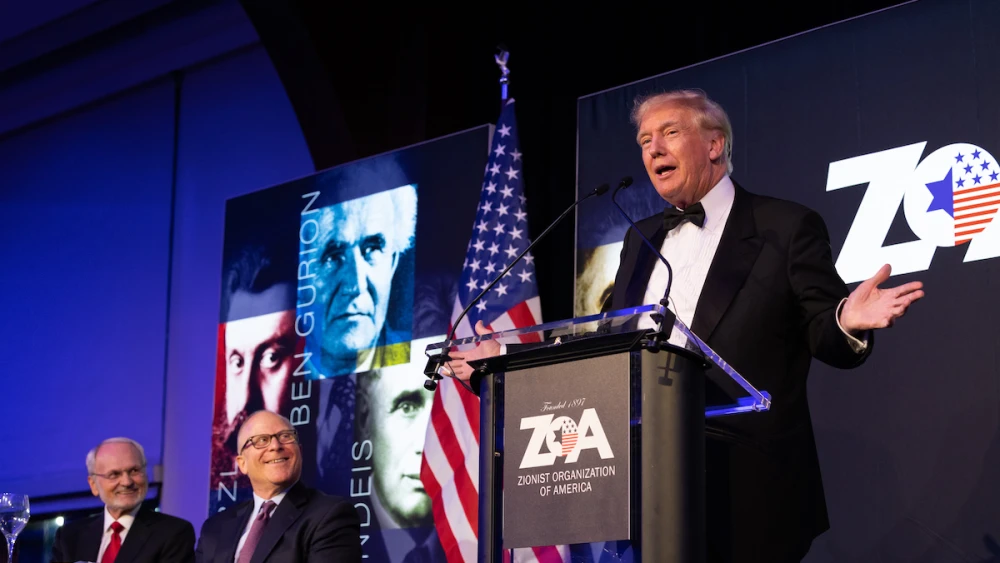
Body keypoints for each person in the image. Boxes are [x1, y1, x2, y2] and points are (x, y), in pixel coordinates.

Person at [447, 89, 925, 563]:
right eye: (644, 140)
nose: (653, 148)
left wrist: (845, 320)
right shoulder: (639, 239)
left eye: (670, 133)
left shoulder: (784, 225)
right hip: (639, 486)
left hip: (748, 488)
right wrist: (507, 362)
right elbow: (607, 353)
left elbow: (824, 332)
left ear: (715, 145)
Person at [195, 410, 362, 563]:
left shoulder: (330, 515)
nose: (275, 446)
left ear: (300, 452)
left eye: (285, 436)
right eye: (261, 440)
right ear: (242, 463)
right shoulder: (215, 528)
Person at [311, 182, 417, 378]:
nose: (356, 285)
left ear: (392, 263)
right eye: (333, 256)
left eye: (372, 250)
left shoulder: (421, 364)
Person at [51, 438, 195, 563]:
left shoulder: (173, 533)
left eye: (134, 471)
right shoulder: (69, 536)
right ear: (93, 484)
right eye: (114, 474)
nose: (127, 482)